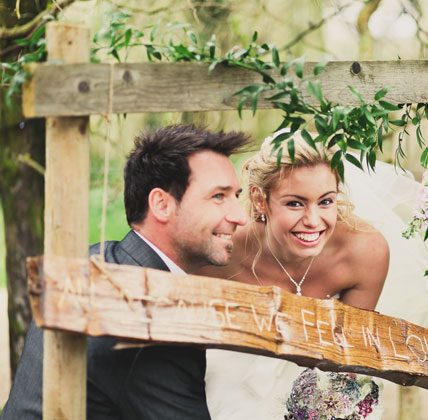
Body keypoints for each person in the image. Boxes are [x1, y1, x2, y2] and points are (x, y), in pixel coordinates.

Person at [1, 124, 249, 419]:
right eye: (219, 196)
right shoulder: (154, 322)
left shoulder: (93, 260)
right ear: (161, 204)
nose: (240, 216)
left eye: (237, 196)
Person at [200, 131, 428, 419]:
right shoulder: (220, 249)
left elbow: (349, 359)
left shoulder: (363, 252)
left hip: (317, 386)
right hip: (226, 381)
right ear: (260, 200)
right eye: (295, 203)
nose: (313, 221)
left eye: (325, 201)